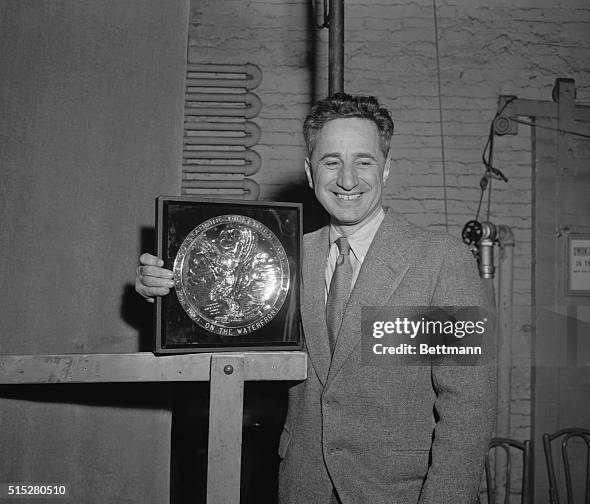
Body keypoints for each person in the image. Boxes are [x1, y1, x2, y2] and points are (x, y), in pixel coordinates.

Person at [136, 93, 496, 503]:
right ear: (310, 172)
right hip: (303, 486)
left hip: (401, 492)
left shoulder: (442, 259)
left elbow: (470, 405)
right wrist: (169, 291)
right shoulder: (281, 259)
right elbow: (224, 338)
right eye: (331, 162)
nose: (347, 179)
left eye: (364, 161)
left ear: (387, 168)